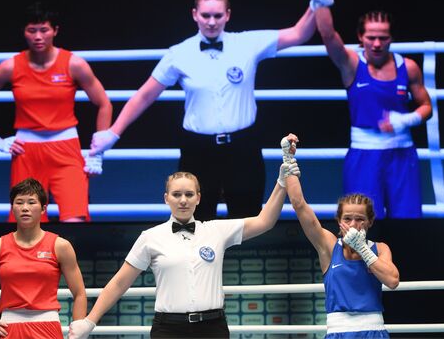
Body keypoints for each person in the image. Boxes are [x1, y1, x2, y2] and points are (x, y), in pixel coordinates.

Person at [87, 0, 331, 220]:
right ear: (195, 15)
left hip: (242, 147)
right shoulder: (179, 54)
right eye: (206, 15)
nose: (212, 22)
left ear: (227, 15)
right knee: (197, 222)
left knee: (247, 220)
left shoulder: (246, 43)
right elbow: (144, 95)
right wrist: (113, 133)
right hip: (197, 150)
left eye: (217, 15)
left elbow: (300, 34)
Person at [68, 140, 301, 339]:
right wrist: (90, 321)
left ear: (199, 198)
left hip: (213, 328)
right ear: (166, 198)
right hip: (169, 330)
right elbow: (119, 283)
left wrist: (282, 180)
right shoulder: (150, 238)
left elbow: (265, 221)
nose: (183, 200)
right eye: (177, 194)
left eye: (189, 194)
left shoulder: (216, 230)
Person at [0, 2, 112, 222]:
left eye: (44, 30)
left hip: (66, 150)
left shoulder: (74, 64)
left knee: (75, 220)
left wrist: (99, 151)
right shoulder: (10, 66)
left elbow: (104, 104)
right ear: (24, 32)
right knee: (26, 225)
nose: (38, 36)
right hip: (26, 153)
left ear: (55, 31)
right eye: (31, 30)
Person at [312, 0, 432, 218]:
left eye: (383, 38)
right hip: (363, 155)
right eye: (371, 37)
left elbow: (426, 106)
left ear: (391, 38)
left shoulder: (408, 67)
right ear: (360, 37)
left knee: (408, 221)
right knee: (361, 225)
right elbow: (327, 34)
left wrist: (406, 119)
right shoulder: (351, 64)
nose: (377, 43)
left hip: (402, 154)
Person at [283, 133, 399, 338]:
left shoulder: (380, 248)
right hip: (339, 332)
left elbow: (392, 280)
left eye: (359, 219)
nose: (353, 225)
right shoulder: (328, 245)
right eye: (347, 219)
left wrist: (363, 249)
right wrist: (288, 159)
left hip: (374, 331)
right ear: (339, 221)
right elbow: (299, 205)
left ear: (370, 222)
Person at [0, 178, 87, 338]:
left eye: (31, 202)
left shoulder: (60, 246)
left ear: (43, 208)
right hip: (9, 329)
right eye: (19, 203)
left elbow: (79, 293)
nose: (25, 208)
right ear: (12, 208)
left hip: (48, 328)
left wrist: (77, 331)